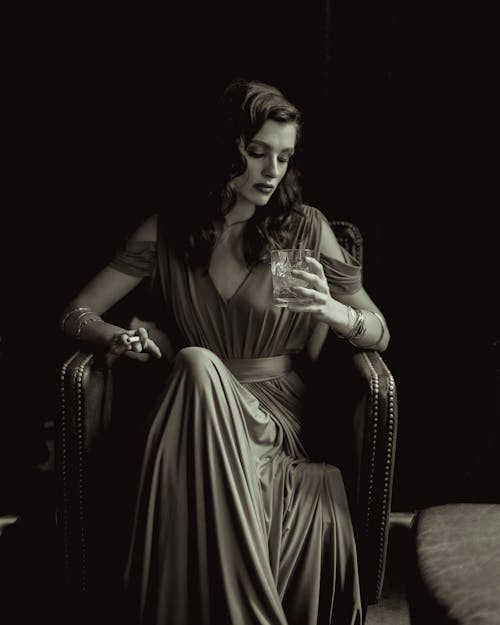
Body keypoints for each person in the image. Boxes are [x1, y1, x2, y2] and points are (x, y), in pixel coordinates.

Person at [60, 78, 389, 625]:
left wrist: (333, 313)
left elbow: (379, 331)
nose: (272, 171)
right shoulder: (164, 231)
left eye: (284, 157)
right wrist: (117, 338)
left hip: (273, 413)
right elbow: (75, 314)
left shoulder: (303, 228)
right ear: (222, 150)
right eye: (256, 153)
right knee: (194, 362)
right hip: (189, 413)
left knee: (193, 360)